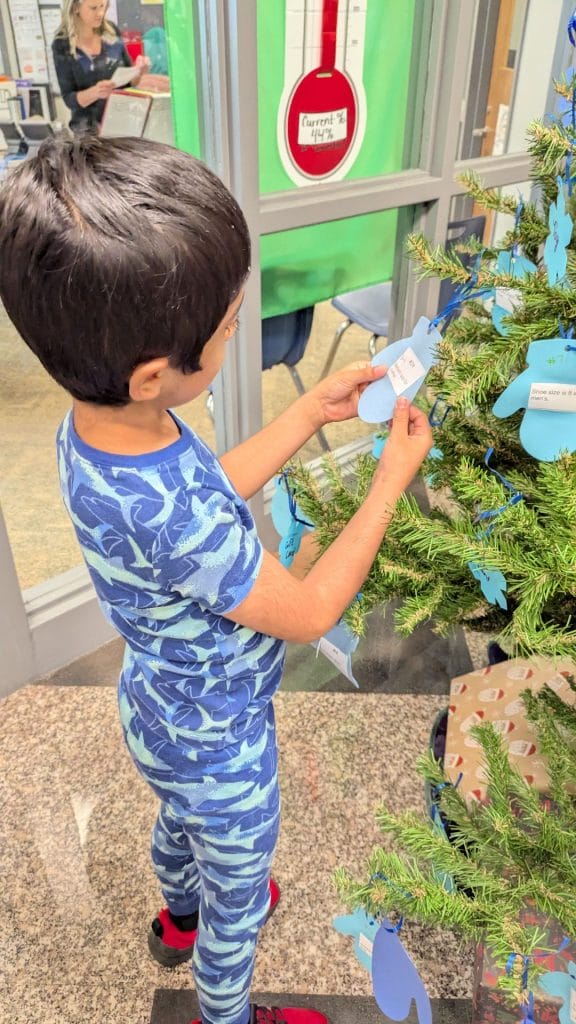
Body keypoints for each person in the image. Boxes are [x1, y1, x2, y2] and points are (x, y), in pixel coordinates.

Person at [0, 135, 433, 1024]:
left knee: (175, 824)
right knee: (242, 899)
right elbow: (310, 612)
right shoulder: (164, 494)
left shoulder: (104, 432)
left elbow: (210, 484)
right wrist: (391, 480)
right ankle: (225, 1009)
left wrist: (312, 409)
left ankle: (178, 916)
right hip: (224, 748)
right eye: (230, 326)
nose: (238, 329)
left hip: (154, 709)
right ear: (157, 373)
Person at [52, 0, 150, 133]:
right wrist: (96, 92)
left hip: (122, 124)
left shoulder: (111, 31)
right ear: (76, 7)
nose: (100, 13)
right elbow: (69, 99)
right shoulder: (62, 44)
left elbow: (129, 83)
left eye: (103, 6)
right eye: (93, 8)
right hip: (88, 132)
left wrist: (139, 71)